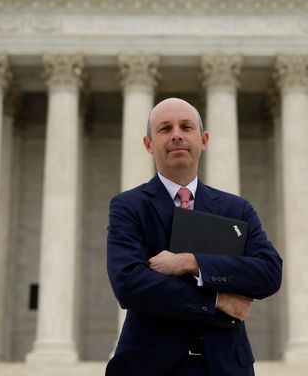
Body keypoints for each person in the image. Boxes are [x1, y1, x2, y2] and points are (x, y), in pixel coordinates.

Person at [106, 98, 282, 376]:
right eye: (165, 129)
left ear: (203, 139)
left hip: (225, 367)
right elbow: (129, 283)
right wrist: (217, 301)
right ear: (149, 144)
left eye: (186, 127)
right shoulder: (129, 206)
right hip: (151, 367)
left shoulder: (237, 209)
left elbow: (269, 273)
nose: (176, 134)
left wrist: (192, 262)